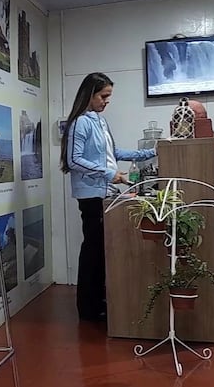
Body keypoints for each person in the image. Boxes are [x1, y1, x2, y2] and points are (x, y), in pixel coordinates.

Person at [60, 72, 156, 322]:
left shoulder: (100, 122)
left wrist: (151, 151)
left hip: (105, 192)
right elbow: (74, 160)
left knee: (102, 250)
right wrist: (109, 174)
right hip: (91, 195)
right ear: (90, 94)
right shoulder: (80, 122)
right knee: (92, 250)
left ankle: (99, 301)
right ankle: (88, 308)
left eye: (109, 97)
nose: (106, 101)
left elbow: (114, 152)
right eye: (103, 96)